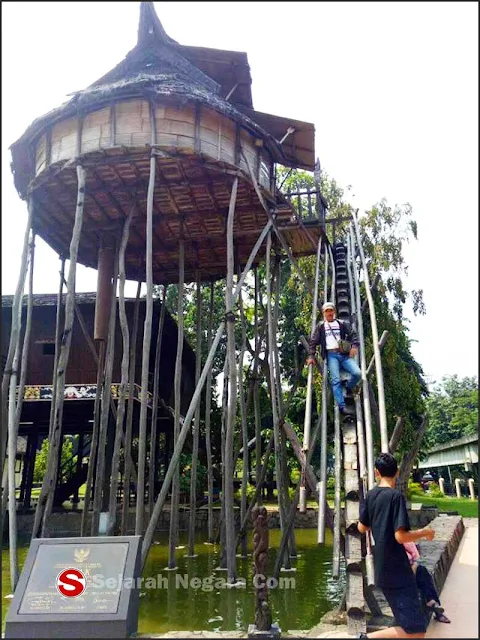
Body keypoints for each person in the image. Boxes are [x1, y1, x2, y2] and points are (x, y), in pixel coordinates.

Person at [356, 453, 436, 639]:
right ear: (397, 472)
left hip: (382, 569)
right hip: (398, 571)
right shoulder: (395, 497)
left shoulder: (371, 495)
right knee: (416, 631)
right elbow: (400, 536)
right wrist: (425, 532)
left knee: (406, 624)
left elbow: (362, 527)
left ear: (377, 472)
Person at [307, 301, 361, 415]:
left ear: (334, 312)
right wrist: (311, 356)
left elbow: (353, 334)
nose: (329, 313)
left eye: (331, 310)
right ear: (323, 313)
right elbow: (313, 342)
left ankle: (348, 386)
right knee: (335, 380)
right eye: (327, 311)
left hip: (343, 354)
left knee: (357, 373)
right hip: (331, 356)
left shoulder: (341, 323)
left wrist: (354, 346)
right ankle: (342, 406)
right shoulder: (321, 326)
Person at [404, 542, 451, 624]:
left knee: (422, 571)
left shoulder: (406, 541)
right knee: (422, 573)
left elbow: (415, 557)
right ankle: (434, 606)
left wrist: (414, 565)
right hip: (398, 572)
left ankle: (432, 602)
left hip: (411, 569)